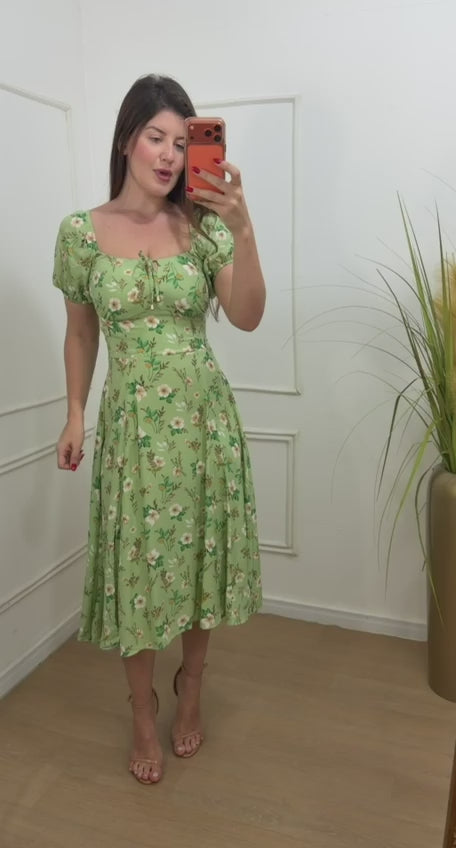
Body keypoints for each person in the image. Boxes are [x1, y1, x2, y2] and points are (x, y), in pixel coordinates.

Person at [53, 74, 266, 785]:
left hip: (204, 422)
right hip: (134, 429)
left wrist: (242, 227)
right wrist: (76, 412)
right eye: (157, 137)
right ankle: (142, 709)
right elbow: (81, 332)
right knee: (137, 569)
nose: (171, 155)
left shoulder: (203, 227)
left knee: (199, 561)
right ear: (126, 139)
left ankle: (191, 687)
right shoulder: (81, 233)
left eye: (182, 141)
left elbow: (247, 316)